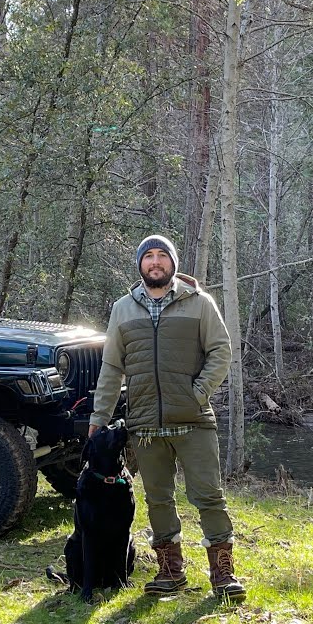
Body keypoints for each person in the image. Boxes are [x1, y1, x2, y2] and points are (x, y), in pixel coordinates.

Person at [87, 234, 247, 601]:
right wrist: (100, 417)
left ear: (173, 263)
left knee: (208, 496)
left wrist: (197, 393)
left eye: (162, 256)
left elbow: (221, 351)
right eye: (149, 257)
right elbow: (112, 367)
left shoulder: (199, 303)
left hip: (193, 419)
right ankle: (170, 571)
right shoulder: (123, 309)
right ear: (140, 265)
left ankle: (223, 574)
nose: (155, 262)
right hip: (144, 424)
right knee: (158, 499)